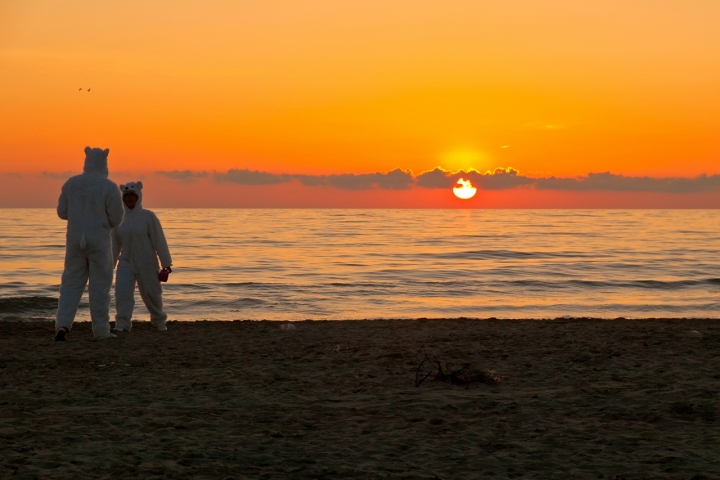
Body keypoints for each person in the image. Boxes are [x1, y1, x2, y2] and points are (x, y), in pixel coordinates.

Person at [55, 147, 124, 341]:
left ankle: (62, 325)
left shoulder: (71, 184)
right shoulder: (109, 187)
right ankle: (101, 330)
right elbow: (116, 218)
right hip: (99, 240)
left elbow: (62, 212)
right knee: (100, 285)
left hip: (75, 240)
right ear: (104, 162)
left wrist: (78, 217)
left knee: (70, 283)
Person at [112, 181, 172, 332]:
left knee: (152, 293)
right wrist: (109, 264)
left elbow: (159, 240)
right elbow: (114, 244)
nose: (129, 198)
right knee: (122, 293)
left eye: (132, 195)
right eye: (126, 196)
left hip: (147, 262)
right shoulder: (118, 218)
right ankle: (123, 324)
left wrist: (166, 263)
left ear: (138, 196)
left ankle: (159, 322)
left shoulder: (148, 216)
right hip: (125, 262)